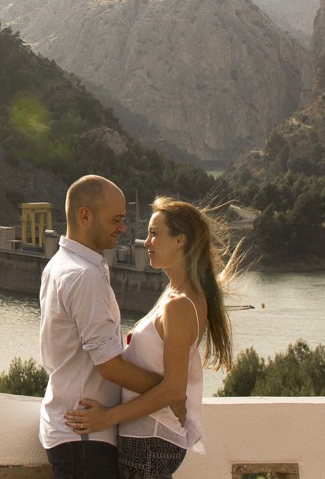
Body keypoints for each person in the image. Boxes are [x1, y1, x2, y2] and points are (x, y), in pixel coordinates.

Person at [66, 197, 241, 479]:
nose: (145, 242)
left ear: (180, 240)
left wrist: (107, 417)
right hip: (149, 438)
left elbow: (173, 389)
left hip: (151, 439)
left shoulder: (180, 305)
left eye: (154, 233)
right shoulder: (176, 296)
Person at [39, 175, 163, 479]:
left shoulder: (60, 264)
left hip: (72, 431)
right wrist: (168, 392)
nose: (122, 228)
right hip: (84, 439)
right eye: (116, 219)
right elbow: (109, 366)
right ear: (85, 216)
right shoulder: (84, 276)